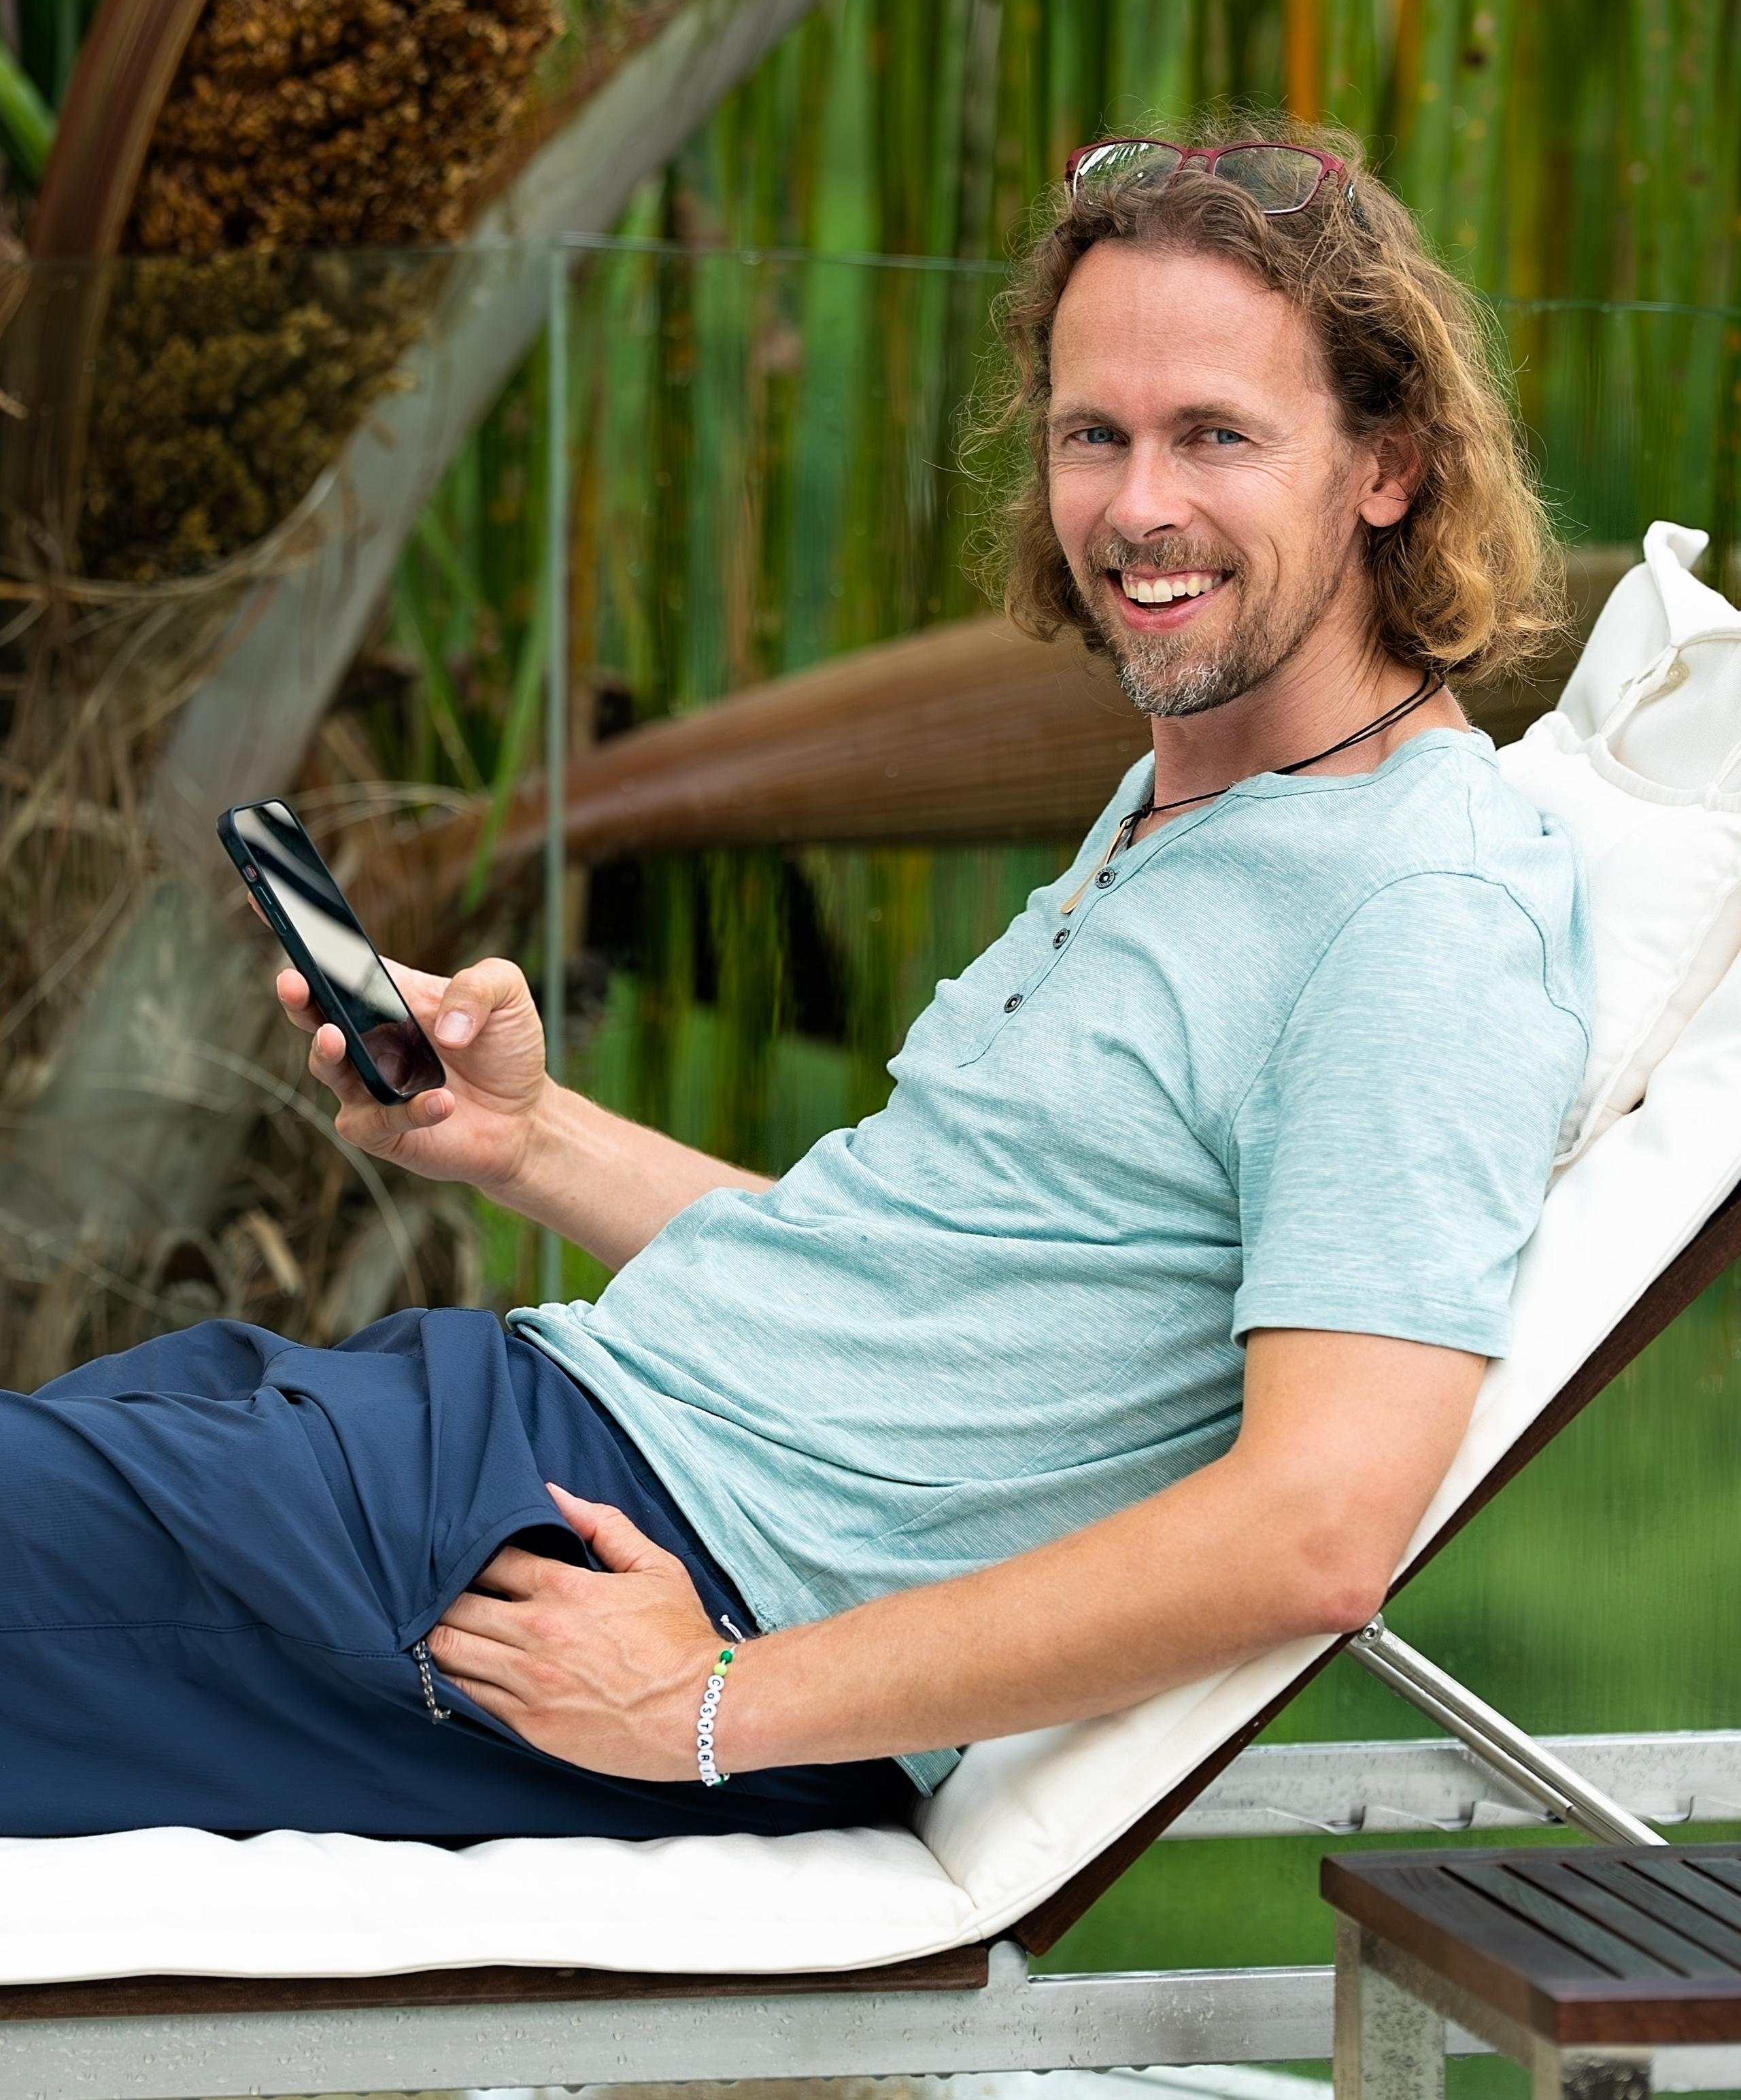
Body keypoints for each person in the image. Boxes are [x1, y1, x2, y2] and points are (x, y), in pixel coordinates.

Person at [5, 123, 1589, 1842]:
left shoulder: (1415, 911)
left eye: (1215, 434)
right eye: (1091, 436)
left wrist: (707, 1710)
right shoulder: (1195, 805)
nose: (1137, 506)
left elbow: (1312, 1528)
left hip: (591, 1578)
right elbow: (904, 1304)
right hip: (520, 1430)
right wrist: (529, 1143)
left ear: (1386, 466)